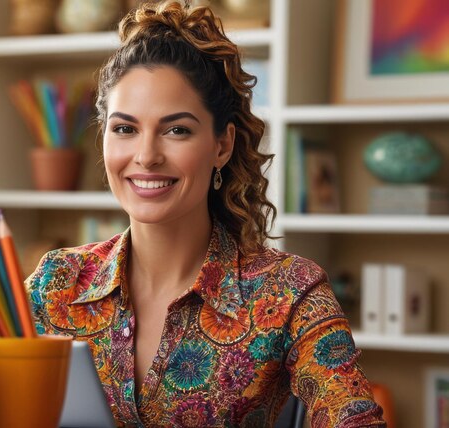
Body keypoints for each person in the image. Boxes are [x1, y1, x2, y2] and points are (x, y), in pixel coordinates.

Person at [26, 1, 386, 426]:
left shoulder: (289, 294)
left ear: (222, 145)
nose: (146, 156)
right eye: (125, 129)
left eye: (177, 130)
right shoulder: (56, 285)